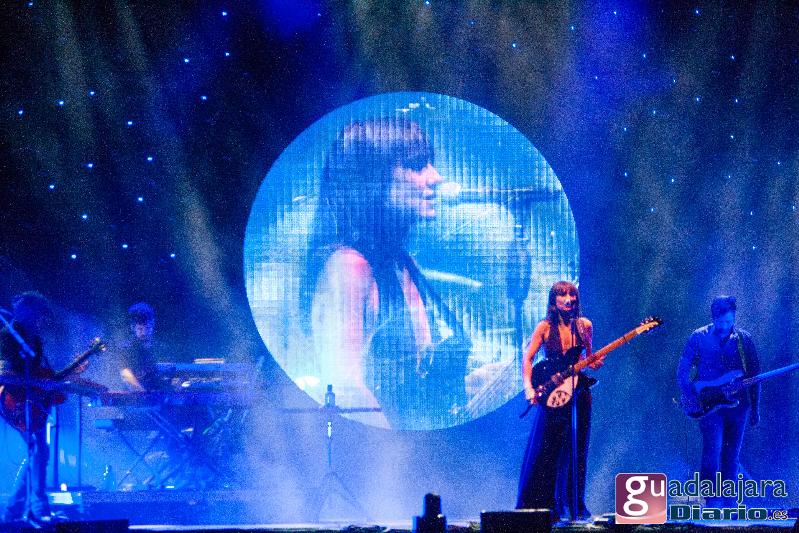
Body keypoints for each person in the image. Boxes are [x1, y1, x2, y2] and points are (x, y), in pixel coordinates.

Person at [301, 118, 472, 430]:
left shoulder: (401, 262)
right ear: (372, 180)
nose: (436, 177)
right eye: (417, 165)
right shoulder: (349, 268)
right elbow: (344, 387)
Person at [516, 281, 602, 521]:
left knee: (577, 447)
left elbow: (586, 357)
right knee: (548, 448)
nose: (568, 299)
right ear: (554, 301)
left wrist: (592, 362)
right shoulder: (544, 327)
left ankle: (574, 504)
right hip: (553, 393)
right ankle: (544, 505)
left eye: (572, 295)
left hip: (577, 391)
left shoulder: (584, 326)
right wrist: (528, 388)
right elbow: (528, 358)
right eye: (563, 295)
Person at [677, 295, 760, 507]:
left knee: (731, 457)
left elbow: (755, 375)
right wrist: (690, 396)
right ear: (713, 318)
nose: (725, 326)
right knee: (712, 453)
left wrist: (755, 408)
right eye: (721, 322)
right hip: (709, 405)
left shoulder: (744, 339)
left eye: (729, 322)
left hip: (738, 405)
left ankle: (730, 504)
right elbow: (683, 370)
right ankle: (711, 502)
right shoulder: (698, 337)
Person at [0, 292, 59, 525]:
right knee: (37, 449)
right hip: (11, 402)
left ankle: (17, 511)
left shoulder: (34, 340)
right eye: (38, 317)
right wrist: (36, 383)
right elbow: (3, 375)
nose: (41, 322)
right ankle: (33, 507)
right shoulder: (6, 337)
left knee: (39, 450)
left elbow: (39, 374)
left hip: (31, 402)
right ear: (27, 314)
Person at [120, 302, 164, 391]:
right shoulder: (126, 348)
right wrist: (142, 391)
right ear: (133, 328)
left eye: (147, 328)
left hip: (158, 394)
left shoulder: (160, 347)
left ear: (152, 325)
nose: (144, 333)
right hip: (133, 397)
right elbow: (125, 373)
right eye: (140, 329)